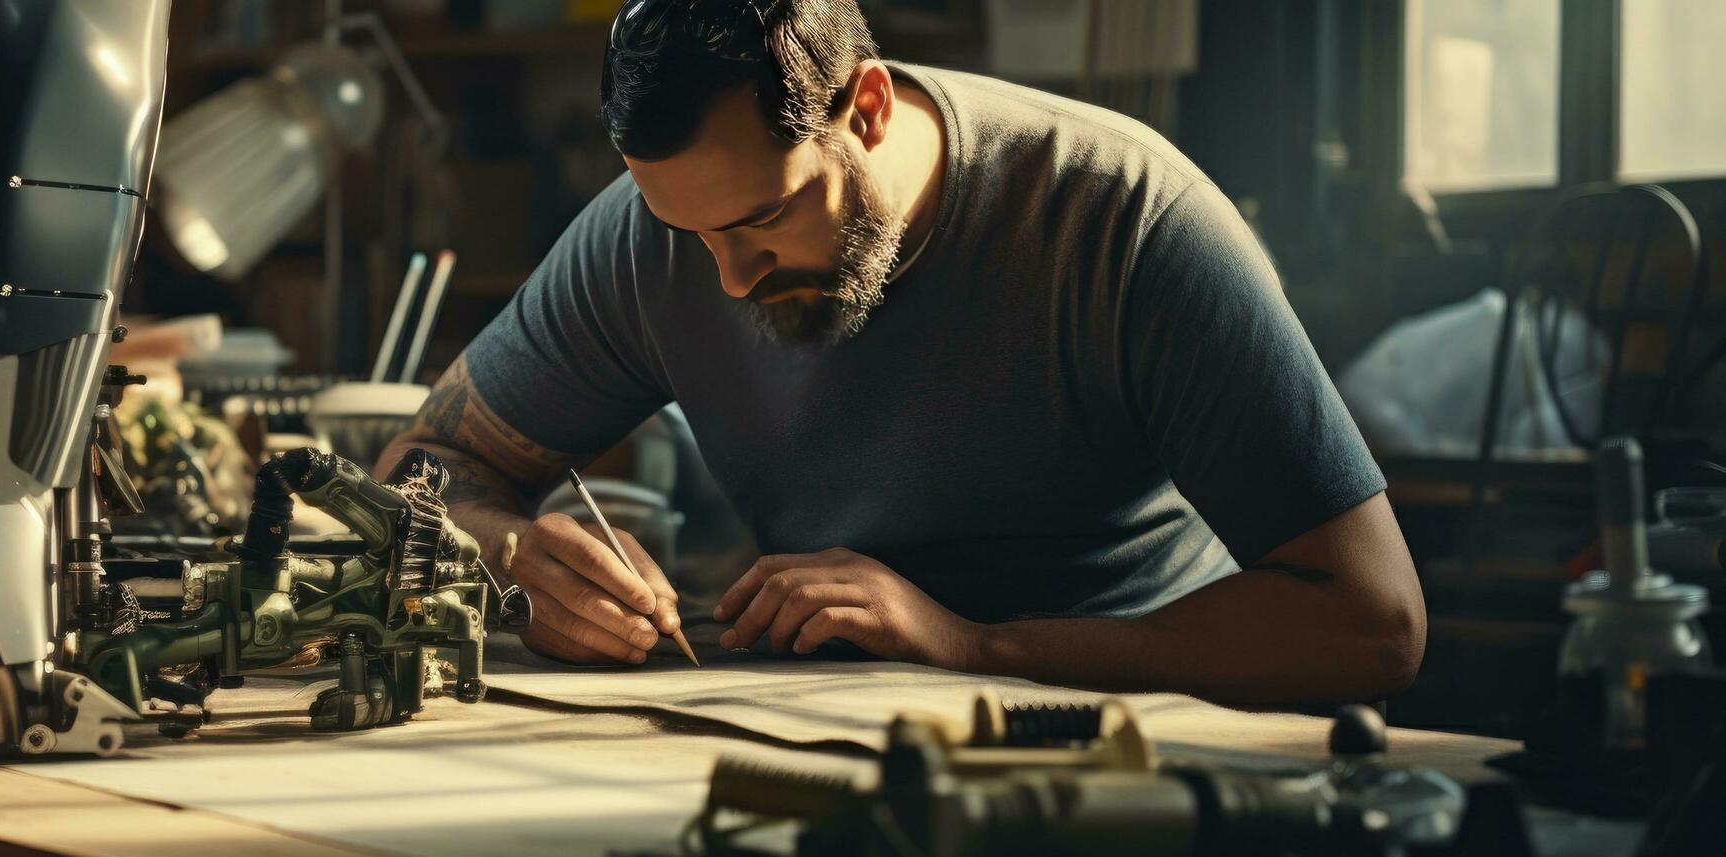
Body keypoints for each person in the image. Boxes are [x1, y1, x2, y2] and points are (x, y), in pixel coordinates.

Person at [379, 0, 1425, 704]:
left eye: (763, 221)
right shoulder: (647, 236)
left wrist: (972, 644)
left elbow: (1371, 622)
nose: (730, 279)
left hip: (1114, 730)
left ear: (866, 109)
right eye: (688, 235)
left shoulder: (1125, 221)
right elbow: (409, 477)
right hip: (815, 722)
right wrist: (510, 560)